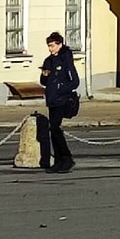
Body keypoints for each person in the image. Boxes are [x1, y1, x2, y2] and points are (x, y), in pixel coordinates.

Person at [39, 31, 79, 174]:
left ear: (59, 44)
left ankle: (66, 158)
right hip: (52, 100)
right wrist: (45, 75)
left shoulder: (66, 59)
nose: (51, 49)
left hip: (62, 100)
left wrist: (61, 88)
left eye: (52, 46)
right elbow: (43, 81)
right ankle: (59, 161)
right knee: (54, 130)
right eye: (49, 46)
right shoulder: (48, 61)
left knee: (55, 129)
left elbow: (75, 82)